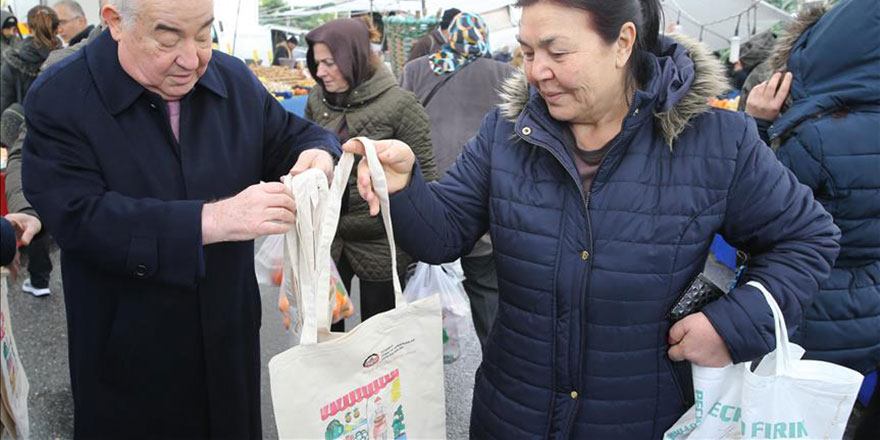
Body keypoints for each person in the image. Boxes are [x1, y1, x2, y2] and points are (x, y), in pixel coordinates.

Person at [345, 0, 840, 437]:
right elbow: (443, 234)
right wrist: (405, 189)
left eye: (557, 53)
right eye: (527, 51)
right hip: (513, 412)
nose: (537, 71)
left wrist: (735, 325)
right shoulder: (506, 134)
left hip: (647, 415)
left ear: (623, 42)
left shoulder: (714, 140)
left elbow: (806, 239)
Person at [21, 0, 340, 437]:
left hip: (229, 342)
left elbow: (292, 135)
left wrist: (318, 154)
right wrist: (215, 220)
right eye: (168, 38)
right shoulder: (61, 97)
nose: (191, 60)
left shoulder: (231, 79)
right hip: (129, 358)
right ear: (114, 21)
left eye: (205, 35)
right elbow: (79, 217)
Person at [745, 0, 880, 431]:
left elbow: (754, 219)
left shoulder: (814, 137)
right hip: (869, 316)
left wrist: (757, 126)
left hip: (805, 313)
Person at [304, 18, 437, 331]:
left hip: (380, 241)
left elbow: (426, 177)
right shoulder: (316, 99)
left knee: (376, 338)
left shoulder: (401, 105)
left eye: (329, 63)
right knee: (326, 331)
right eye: (317, 63)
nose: (320, 72)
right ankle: (332, 381)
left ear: (354, 58)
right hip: (328, 238)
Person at [400, 12, 514, 348]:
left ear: (449, 36)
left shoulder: (418, 69)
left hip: (427, 191)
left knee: (422, 285)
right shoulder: (506, 74)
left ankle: (417, 360)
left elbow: (403, 122)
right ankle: (496, 361)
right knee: (485, 290)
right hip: (482, 198)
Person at [0, 5, 61, 113]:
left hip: (26, 127)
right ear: (58, 28)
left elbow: (5, 110)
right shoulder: (70, 60)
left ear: (28, 28)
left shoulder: (12, 63)